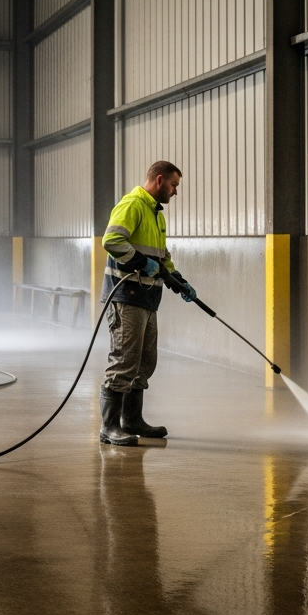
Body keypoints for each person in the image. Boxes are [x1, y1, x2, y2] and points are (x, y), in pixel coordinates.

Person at [98, 161, 198, 446]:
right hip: (126, 297)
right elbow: (112, 240)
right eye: (174, 185)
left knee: (144, 362)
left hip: (147, 297)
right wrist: (143, 264)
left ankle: (132, 420)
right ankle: (109, 427)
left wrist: (175, 278)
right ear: (158, 180)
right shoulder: (133, 205)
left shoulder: (156, 214)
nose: (175, 191)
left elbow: (161, 255)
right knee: (124, 361)